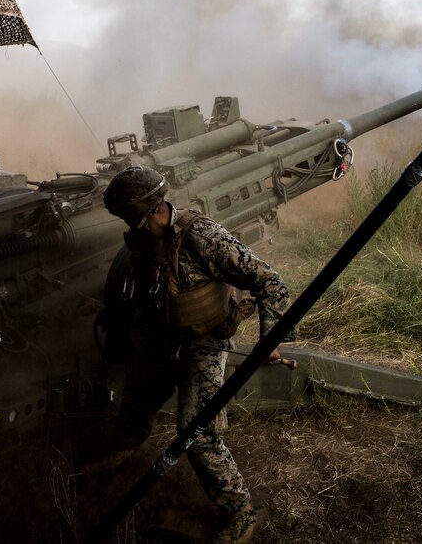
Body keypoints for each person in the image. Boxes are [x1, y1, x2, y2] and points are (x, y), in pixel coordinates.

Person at [99, 165, 295, 544]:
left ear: (147, 210)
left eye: (127, 216)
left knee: (195, 429)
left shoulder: (203, 238)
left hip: (205, 340)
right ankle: (123, 452)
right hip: (160, 334)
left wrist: (269, 340)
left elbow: (268, 281)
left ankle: (240, 510)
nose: (125, 224)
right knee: (136, 397)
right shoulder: (142, 240)